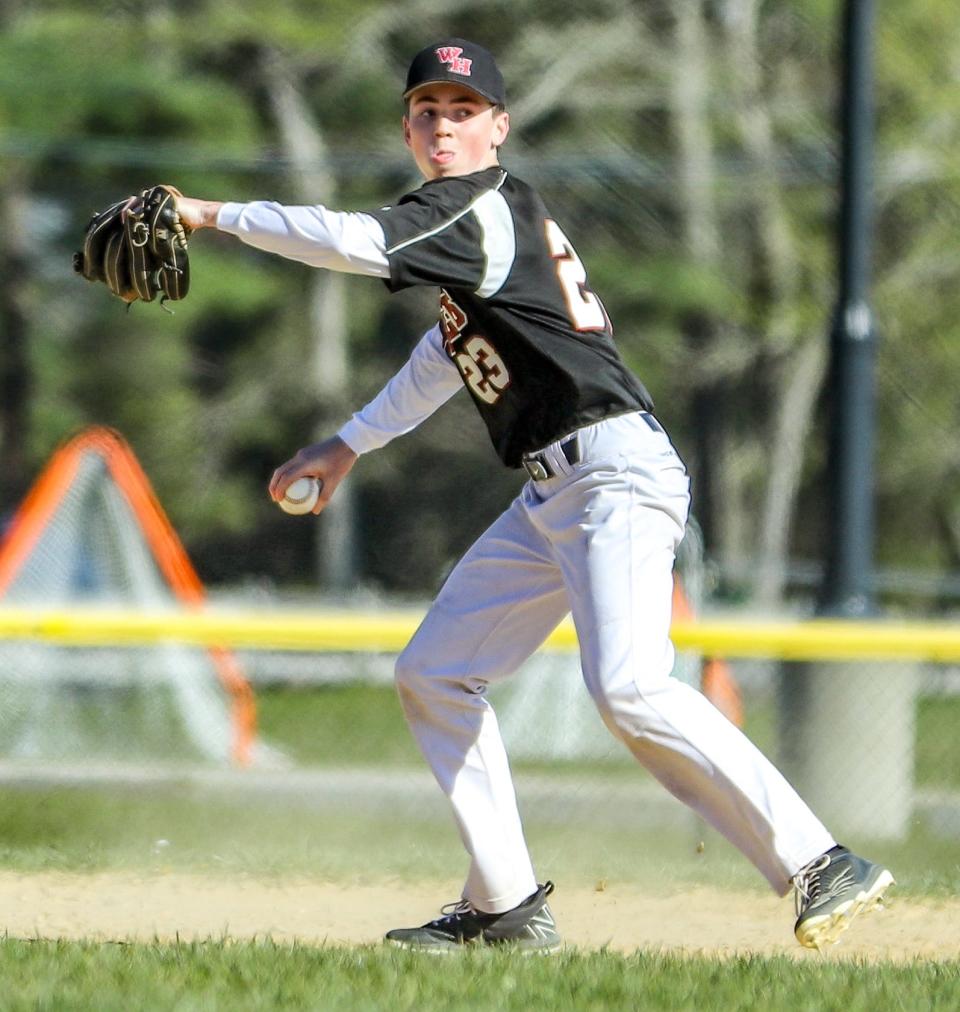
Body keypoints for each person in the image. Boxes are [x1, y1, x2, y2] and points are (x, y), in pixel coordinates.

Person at [173, 38, 893, 953]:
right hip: (555, 492)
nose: (444, 123)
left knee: (630, 685)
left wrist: (210, 213)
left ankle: (818, 860)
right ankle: (505, 903)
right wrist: (349, 443)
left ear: (499, 129)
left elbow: (355, 242)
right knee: (435, 672)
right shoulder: (479, 229)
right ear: (407, 127)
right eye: (428, 110)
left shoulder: (477, 205)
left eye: (464, 109)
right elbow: (449, 355)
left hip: (614, 474)